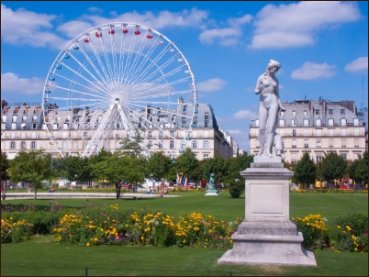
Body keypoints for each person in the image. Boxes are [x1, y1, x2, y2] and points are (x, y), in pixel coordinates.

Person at [255, 59, 285, 158]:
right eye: (275, 69)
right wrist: (260, 88)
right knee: (261, 128)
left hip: (274, 102)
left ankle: (268, 150)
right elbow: (255, 91)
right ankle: (261, 149)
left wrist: (281, 106)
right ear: (270, 68)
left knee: (271, 128)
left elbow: (278, 94)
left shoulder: (276, 80)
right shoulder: (261, 78)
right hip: (263, 102)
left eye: (277, 70)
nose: (276, 71)